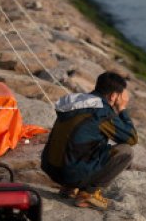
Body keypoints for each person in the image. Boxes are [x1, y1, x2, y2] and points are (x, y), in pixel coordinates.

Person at [41, 71, 138, 209]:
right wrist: (122, 108)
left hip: (50, 167)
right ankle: (87, 194)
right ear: (114, 96)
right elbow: (131, 138)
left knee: (87, 142)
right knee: (126, 151)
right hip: (70, 173)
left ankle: (68, 188)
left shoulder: (76, 101)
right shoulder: (101, 111)